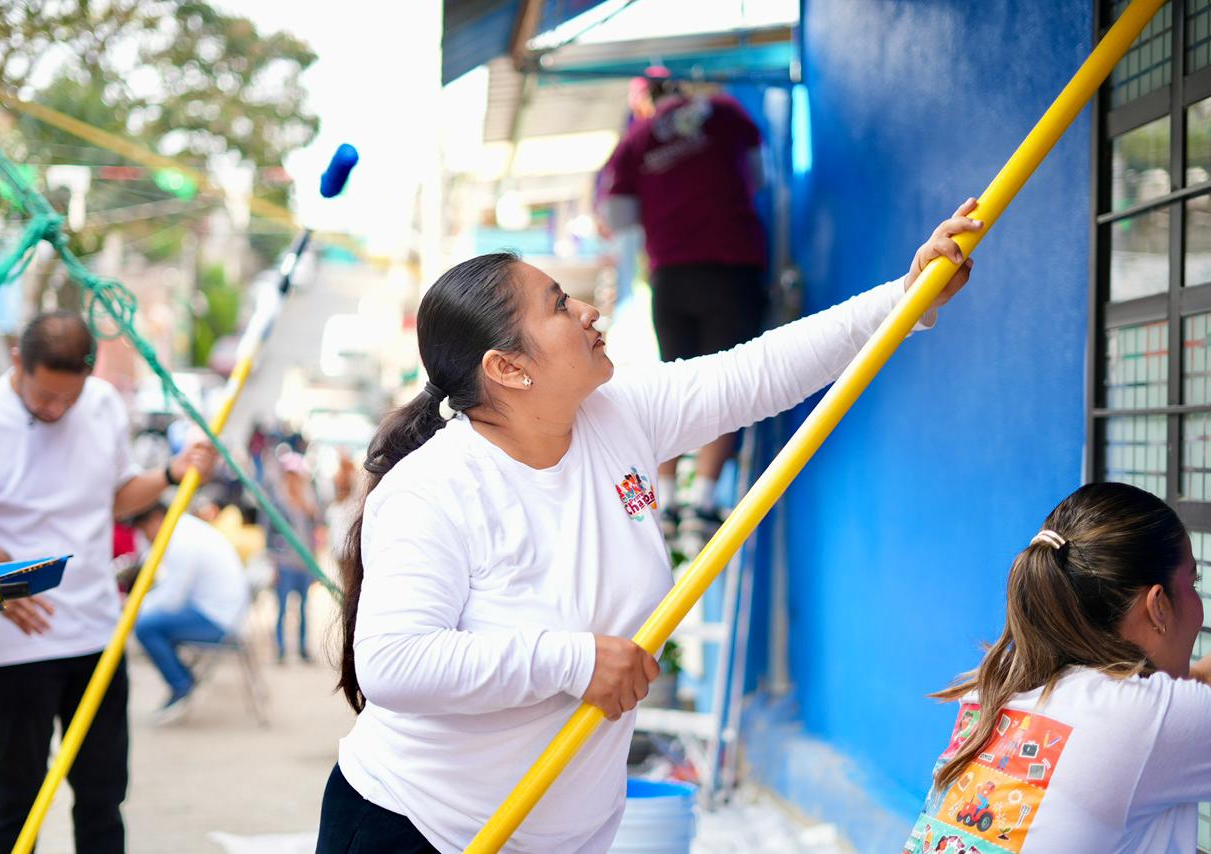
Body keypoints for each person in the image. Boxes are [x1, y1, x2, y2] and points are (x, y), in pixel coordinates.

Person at [317, 204, 980, 853]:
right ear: (508, 368)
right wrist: (575, 660)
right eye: (557, 306)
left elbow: (760, 370)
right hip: (418, 829)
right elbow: (394, 664)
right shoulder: (433, 490)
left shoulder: (618, 415)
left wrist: (905, 297)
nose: (588, 310)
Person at [0, 310, 215, 854]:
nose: (58, 409)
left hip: (97, 632)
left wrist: (172, 475)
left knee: (103, 795)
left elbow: (115, 497)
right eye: (44, 399)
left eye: (70, 398)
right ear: (18, 361)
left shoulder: (105, 404)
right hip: (16, 643)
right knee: (20, 796)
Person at [903, 482, 1211, 852]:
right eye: (1193, 582)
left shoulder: (1000, 682)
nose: (1198, 604)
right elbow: (1158, 717)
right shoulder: (1142, 722)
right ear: (1158, 606)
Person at [600, 74, 770, 543]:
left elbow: (617, 217)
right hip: (732, 266)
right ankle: (705, 501)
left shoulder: (635, 140)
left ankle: (668, 499)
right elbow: (758, 177)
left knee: (677, 381)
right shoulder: (728, 113)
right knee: (728, 383)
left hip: (671, 274)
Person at [129, 503, 250, 724]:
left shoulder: (181, 540)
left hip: (218, 619)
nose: (144, 537)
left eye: (143, 530)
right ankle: (182, 679)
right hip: (221, 612)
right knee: (153, 624)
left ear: (155, 519)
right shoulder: (185, 530)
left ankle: (181, 684)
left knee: (145, 626)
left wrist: (130, 609)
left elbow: (171, 599)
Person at [269, 452, 319, 664]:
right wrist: (273, 564)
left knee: (303, 608)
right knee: (281, 608)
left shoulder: (309, 499)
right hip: (284, 563)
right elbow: (268, 535)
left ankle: (302, 648)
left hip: (304, 563)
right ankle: (280, 649)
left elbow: (315, 531)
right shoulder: (277, 502)